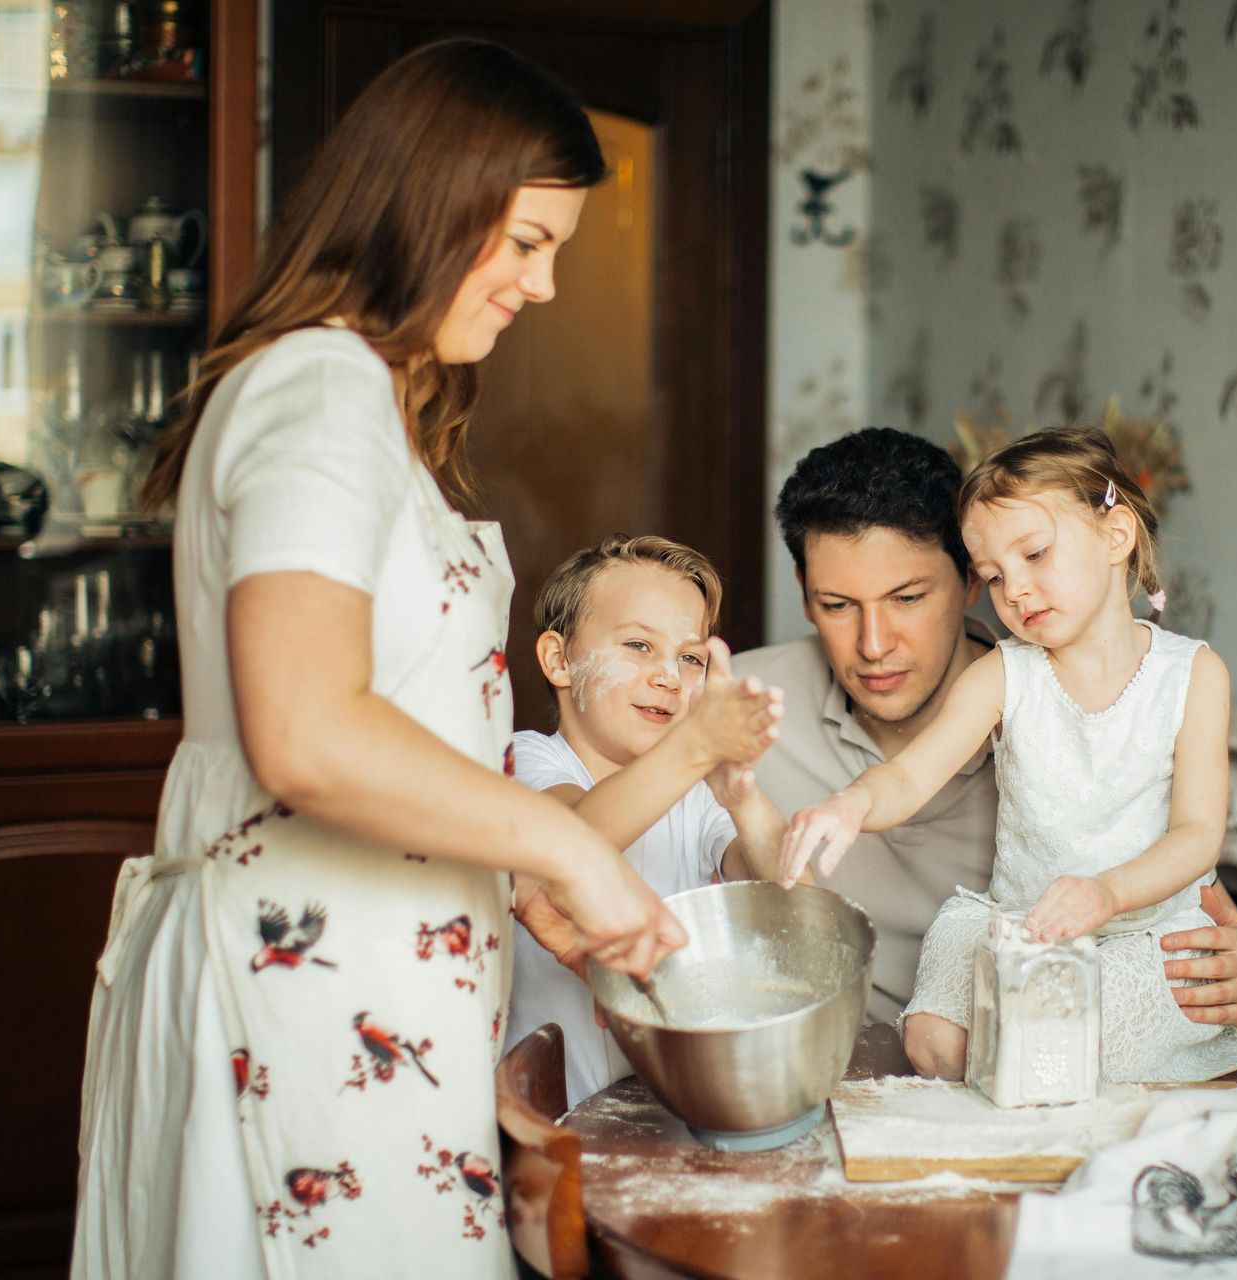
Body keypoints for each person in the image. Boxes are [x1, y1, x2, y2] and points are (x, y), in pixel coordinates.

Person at [73, 41, 770, 1278]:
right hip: (308, 981)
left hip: (381, 981)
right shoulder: (320, 388)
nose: (543, 286)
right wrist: (556, 841)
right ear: (429, 205)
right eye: (525, 242)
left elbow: (401, 729)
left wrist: (519, 871)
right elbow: (308, 728)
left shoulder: (372, 404)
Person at [780, 427, 1237, 1083]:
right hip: (1018, 920)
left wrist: (1107, 894)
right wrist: (852, 804)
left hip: (1132, 932)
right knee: (934, 1042)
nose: (1015, 590)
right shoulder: (1005, 673)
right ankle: (1014, 1099)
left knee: (1068, 1054)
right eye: (995, 576)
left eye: (1035, 555)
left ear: (1116, 536)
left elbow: (1197, 836)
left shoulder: (1193, 674)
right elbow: (911, 774)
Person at [502, 535, 798, 1104]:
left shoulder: (694, 793)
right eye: (639, 645)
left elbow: (792, 896)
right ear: (559, 660)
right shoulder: (528, 760)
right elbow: (568, 843)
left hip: (672, 1107)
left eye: (690, 657)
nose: (669, 676)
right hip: (557, 1126)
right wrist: (694, 745)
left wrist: (743, 798)